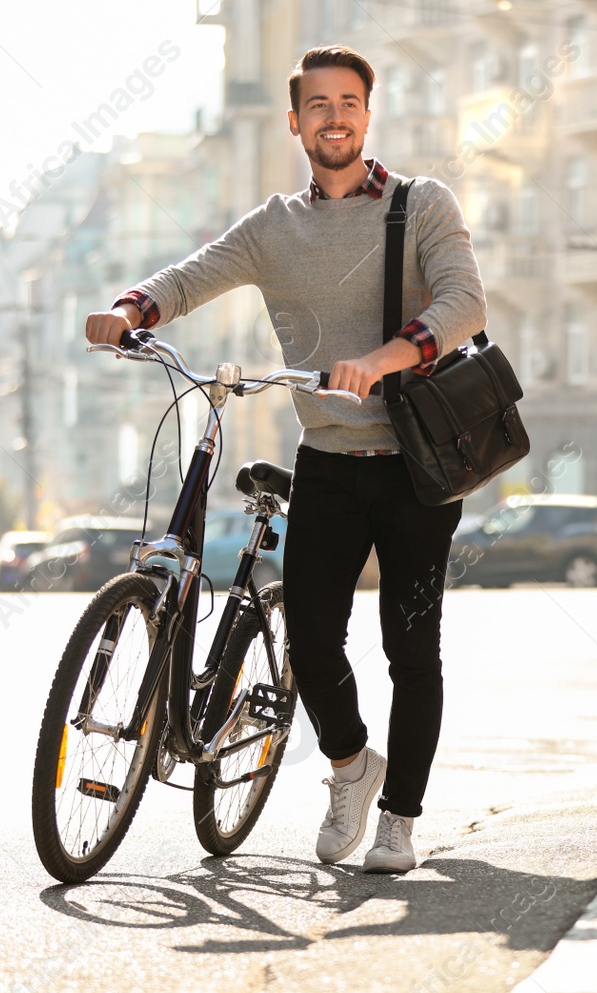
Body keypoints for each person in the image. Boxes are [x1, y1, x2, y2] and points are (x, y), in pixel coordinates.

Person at [84, 45, 486, 875]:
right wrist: (131, 307)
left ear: (367, 116)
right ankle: (350, 768)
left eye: (350, 103)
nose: (334, 117)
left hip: (415, 465)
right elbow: (197, 273)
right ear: (296, 122)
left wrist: (381, 359)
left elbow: (463, 302)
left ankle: (400, 820)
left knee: (410, 649)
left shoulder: (422, 203)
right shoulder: (276, 226)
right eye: (319, 106)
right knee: (309, 635)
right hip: (329, 458)